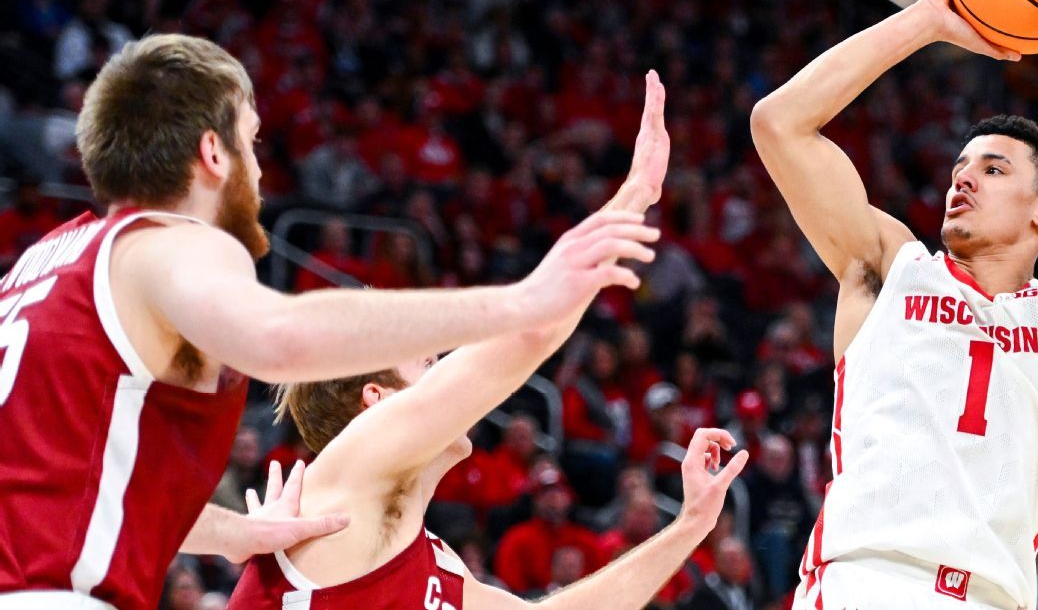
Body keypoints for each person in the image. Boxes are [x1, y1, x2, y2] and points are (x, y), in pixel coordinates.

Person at [0, 34, 657, 610]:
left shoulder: (43, 264)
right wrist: (528, 297)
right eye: (251, 142)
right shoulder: (164, 240)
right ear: (213, 152)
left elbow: (84, 486)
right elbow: (281, 339)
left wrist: (234, 534)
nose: (260, 169)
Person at [229, 72, 750, 610]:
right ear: (377, 401)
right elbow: (533, 332)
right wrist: (635, 195)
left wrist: (689, 526)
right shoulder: (344, 481)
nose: (452, 374)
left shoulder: (431, 558)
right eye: (430, 366)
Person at [752, 0, 1038, 610]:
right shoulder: (888, 266)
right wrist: (925, 18)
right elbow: (779, 124)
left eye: (993, 169)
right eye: (961, 166)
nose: (963, 178)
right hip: (864, 582)